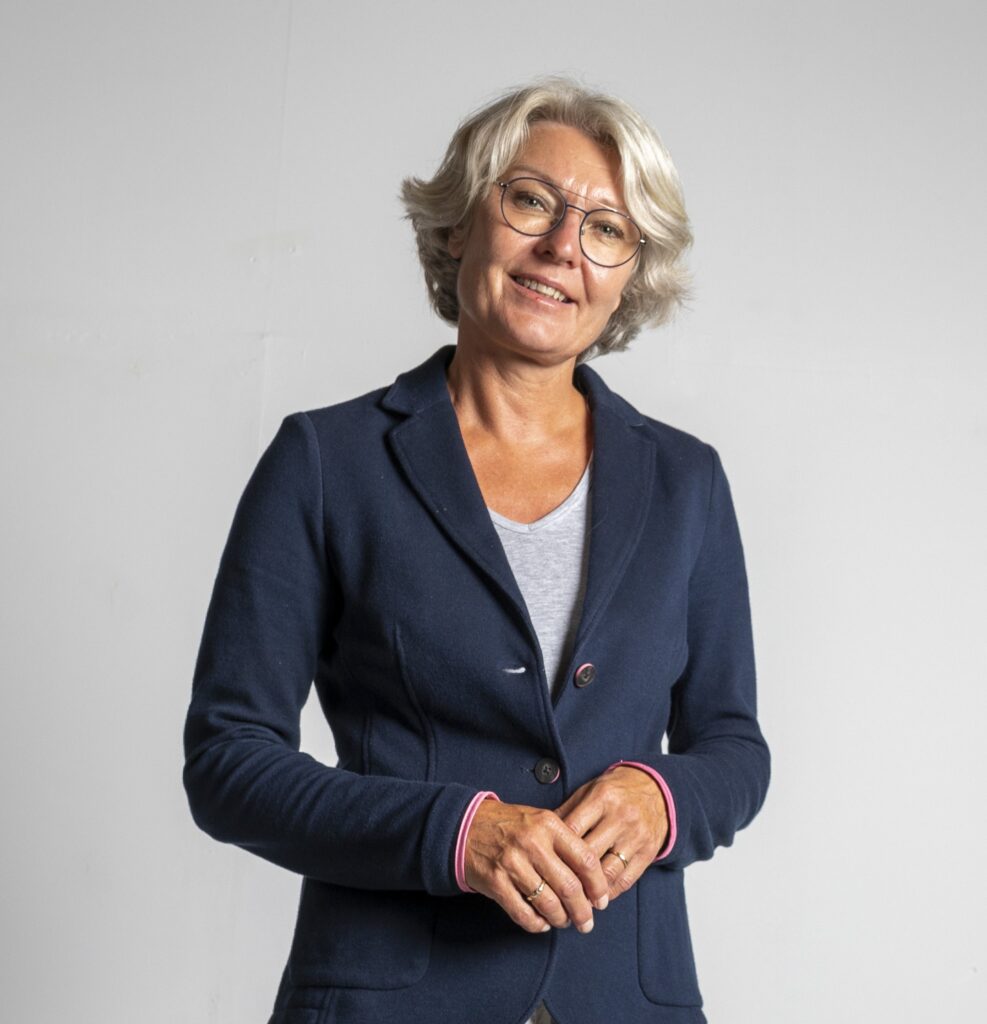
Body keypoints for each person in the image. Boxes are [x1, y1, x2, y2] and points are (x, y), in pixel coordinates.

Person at [183, 78, 770, 1024]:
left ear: (629, 275)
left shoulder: (685, 480)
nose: (562, 247)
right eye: (531, 200)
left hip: (625, 998)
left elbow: (734, 749)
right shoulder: (326, 461)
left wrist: (663, 799)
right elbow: (228, 761)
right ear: (459, 223)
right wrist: (455, 833)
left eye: (606, 229)